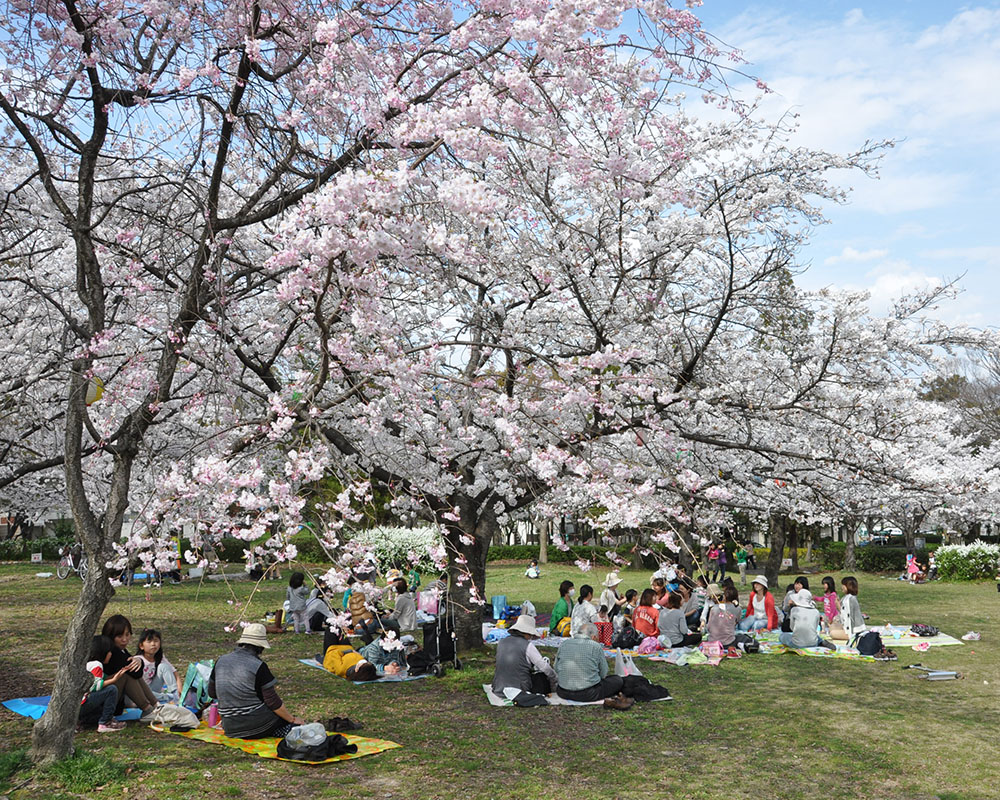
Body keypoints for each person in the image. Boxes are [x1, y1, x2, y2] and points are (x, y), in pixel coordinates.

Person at [209, 623, 305, 739]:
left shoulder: (221, 661)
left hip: (229, 727)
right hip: (256, 724)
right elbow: (272, 701)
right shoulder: (258, 666)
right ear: (261, 647)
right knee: (285, 722)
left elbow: (212, 693)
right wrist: (292, 719)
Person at [554, 623, 632, 708]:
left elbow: (556, 668)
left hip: (563, 691)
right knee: (617, 680)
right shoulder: (595, 646)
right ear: (594, 637)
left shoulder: (564, 644)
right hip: (588, 694)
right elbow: (603, 674)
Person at [100, 614, 159, 718]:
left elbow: (135, 670)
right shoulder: (111, 651)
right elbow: (136, 673)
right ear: (110, 636)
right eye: (120, 636)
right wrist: (138, 662)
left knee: (128, 671)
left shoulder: (120, 650)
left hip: (116, 700)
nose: (124, 640)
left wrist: (138, 661)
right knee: (125, 673)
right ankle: (147, 708)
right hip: (104, 704)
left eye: (127, 635)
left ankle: (155, 704)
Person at [491, 614, 558, 696]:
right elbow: (544, 667)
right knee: (541, 679)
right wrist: (554, 677)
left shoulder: (501, 642)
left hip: (499, 686)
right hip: (519, 688)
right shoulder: (527, 646)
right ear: (527, 632)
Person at [79, 635, 126, 732]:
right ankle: (105, 723)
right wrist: (113, 680)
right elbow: (95, 686)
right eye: (109, 652)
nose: (111, 654)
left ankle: (81, 721)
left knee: (101, 710)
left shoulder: (87, 663)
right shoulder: (97, 664)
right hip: (81, 704)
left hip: (76, 706)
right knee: (111, 690)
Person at [135, 628, 181, 704]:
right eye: (149, 641)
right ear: (141, 646)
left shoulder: (160, 657)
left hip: (153, 688)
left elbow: (174, 672)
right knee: (144, 694)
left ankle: (174, 695)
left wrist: (179, 688)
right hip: (142, 691)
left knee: (164, 666)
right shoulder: (138, 660)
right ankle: (168, 697)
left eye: (156, 641)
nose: (153, 644)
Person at [839, 576, 866, 644]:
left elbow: (849, 617)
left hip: (852, 630)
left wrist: (850, 634)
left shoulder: (850, 599)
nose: (842, 587)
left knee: (832, 632)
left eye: (843, 585)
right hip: (846, 627)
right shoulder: (845, 598)